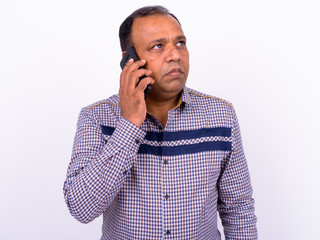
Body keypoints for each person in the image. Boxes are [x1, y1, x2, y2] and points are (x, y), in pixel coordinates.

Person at [63, 5, 258, 239]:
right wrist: (129, 124)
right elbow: (81, 208)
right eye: (158, 46)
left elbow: (238, 209)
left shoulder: (221, 115)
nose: (175, 55)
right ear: (129, 61)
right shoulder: (95, 118)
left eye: (180, 43)